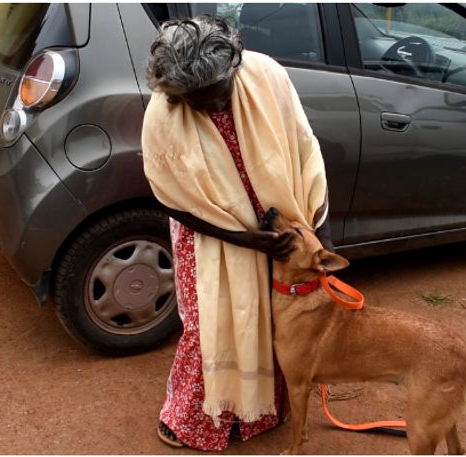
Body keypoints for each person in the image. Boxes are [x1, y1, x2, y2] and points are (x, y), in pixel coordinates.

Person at [141, 15, 332, 451]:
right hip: (208, 237)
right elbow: (171, 198)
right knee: (209, 324)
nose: (211, 108)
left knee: (267, 319)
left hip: (278, 229)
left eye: (217, 95)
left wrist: (307, 224)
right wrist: (241, 238)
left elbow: (304, 146)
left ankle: (256, 416)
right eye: (197, 101)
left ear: (235, 67)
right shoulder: (162, 111)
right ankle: (195, 422)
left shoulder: (267, 77)